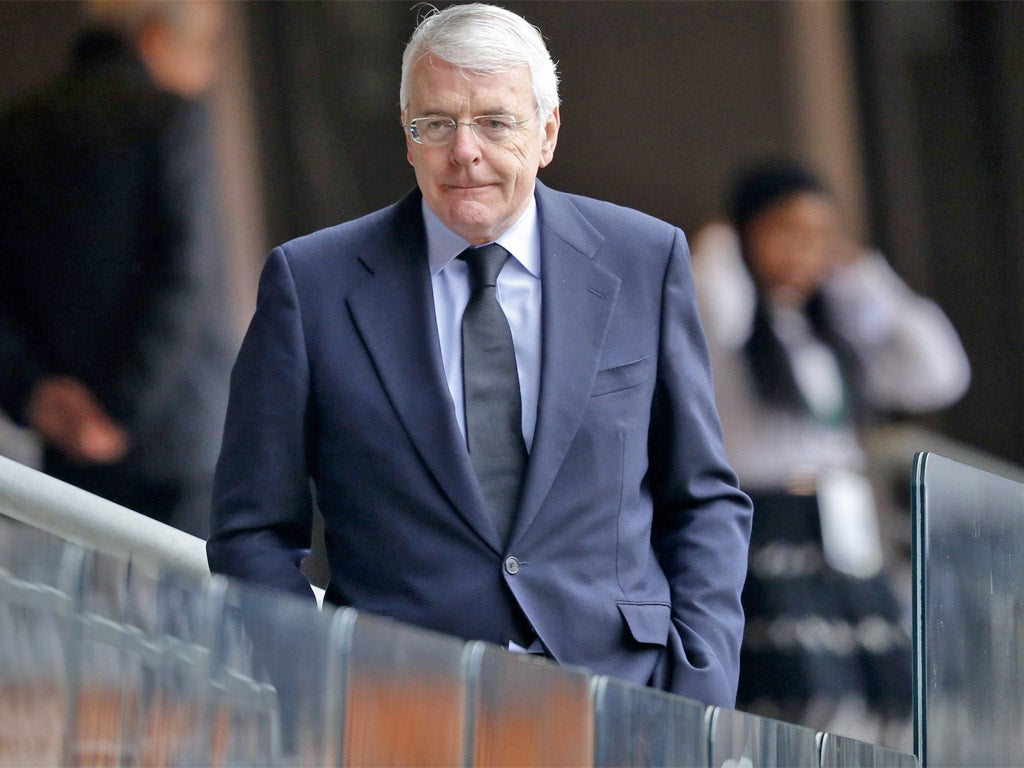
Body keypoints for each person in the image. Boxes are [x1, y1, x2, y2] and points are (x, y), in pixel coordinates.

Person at [208, 2, 752, 707]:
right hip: (398, 713)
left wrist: (699, 691)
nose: (464, 151)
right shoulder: (312, 284)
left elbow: (702, 498)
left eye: (495, 121)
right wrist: (314, 687)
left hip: (623, 703)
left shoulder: (644, 261)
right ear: (407, 138)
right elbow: (252, 525)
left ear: (547, 132)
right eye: (435, 123)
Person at [691, 161, 970, 743]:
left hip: (844, 533)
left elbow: (939, 373)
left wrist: (862, 271)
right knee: (804, 696)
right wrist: (721, 237)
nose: (804, 251)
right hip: (768, 529)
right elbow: (714, 311)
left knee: (882, 697)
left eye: (820, 236)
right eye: (785, 232)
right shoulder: (734, 330)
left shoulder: (828, 329)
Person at [0, 0, 235, 538]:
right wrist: (120, 412)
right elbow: (185, 277)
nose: (210, 69)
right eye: (203, 47)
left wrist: (34, 393)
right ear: (153, 39)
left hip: (63, 443)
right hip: (178, 437)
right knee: (195, 619)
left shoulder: (15, 128)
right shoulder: (171, 117)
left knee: (80, 615)